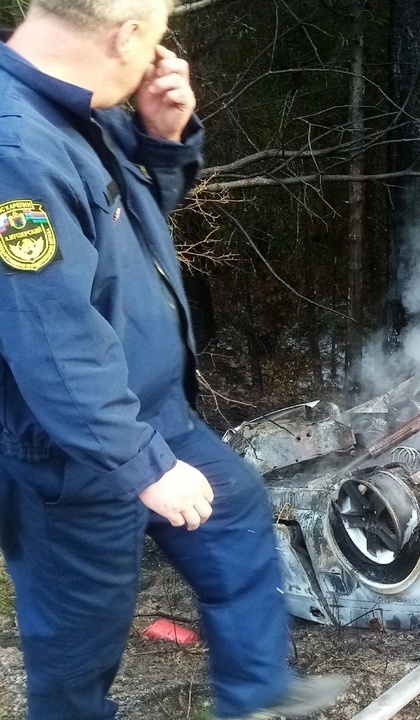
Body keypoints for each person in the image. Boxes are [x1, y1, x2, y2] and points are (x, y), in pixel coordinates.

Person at [0, 1, 348, 718]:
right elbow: (51, 340)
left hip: (150, 410)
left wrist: (163, 139)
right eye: (158, 38)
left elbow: (128, 234)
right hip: (72, 450)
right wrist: (142, 465)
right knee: (77, 644)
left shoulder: (76, 105)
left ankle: (256, 695)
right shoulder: (15, 151)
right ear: (125, 35)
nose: (161, 56)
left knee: (236, 512)